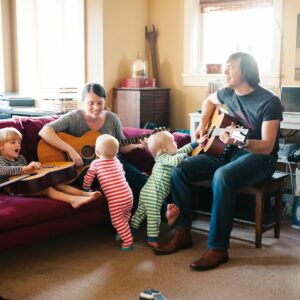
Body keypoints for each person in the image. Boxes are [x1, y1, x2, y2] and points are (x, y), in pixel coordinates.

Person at [154, 52, 283, 271]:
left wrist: (240, 142)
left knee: (222, 176)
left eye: (231, 67)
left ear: (247, 71)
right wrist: (203, 124)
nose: (225, 71)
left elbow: (267, 145)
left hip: (259, 159)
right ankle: (182, 233)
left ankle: (218, 248)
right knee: (179, 170)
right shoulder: (227, 92)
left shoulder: (269, 102)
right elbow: (208, 101)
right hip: (228, 152)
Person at [38, 83, 148, 204]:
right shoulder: (74, 117)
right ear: (83, 102)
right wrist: (70, 150)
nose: (96, 107)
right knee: (127, 180)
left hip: (111, 164)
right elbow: (45, 131)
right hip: (84, 170)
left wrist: (138, 146)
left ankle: (164, 212)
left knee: (140, 179)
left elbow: (121, 146)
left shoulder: (112, 119)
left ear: (104, 102)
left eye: (100, 103)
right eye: (91, 103)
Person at [131, 131, 206, 248]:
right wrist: (184, 156)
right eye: (173, 142)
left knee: (139, 214)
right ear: (165, 149)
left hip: (146, 192)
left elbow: (182, 150)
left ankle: (131, 233)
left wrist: (196, 143)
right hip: (153, 194)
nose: (176, 144)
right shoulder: (164, 158)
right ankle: (151, 239)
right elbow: (176, 160)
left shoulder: (167, 155)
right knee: (153, 217)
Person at [0, 127, 101, 207]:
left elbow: (28, 176)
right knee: (48, 189)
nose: (17, 145)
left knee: (56, 183)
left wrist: (35, 168)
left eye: (19, 142)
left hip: (27, 184)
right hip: (14, 189)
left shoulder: (21, 158)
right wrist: (25, 168)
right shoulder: (1, 160)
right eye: (13, 142)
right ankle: (73, 200)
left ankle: (84, 194)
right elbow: (3, 170)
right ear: (1, 146)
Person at [82, 134, 133, 250]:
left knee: (116, 220)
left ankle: (128, 241)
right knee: (125, 214)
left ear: (97, 152)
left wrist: (85, 189)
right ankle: (122, 231)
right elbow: (123, 174)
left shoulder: (95, 163)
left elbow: (88, 178)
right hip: (128, 195)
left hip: (116, 200)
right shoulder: (118, 161)